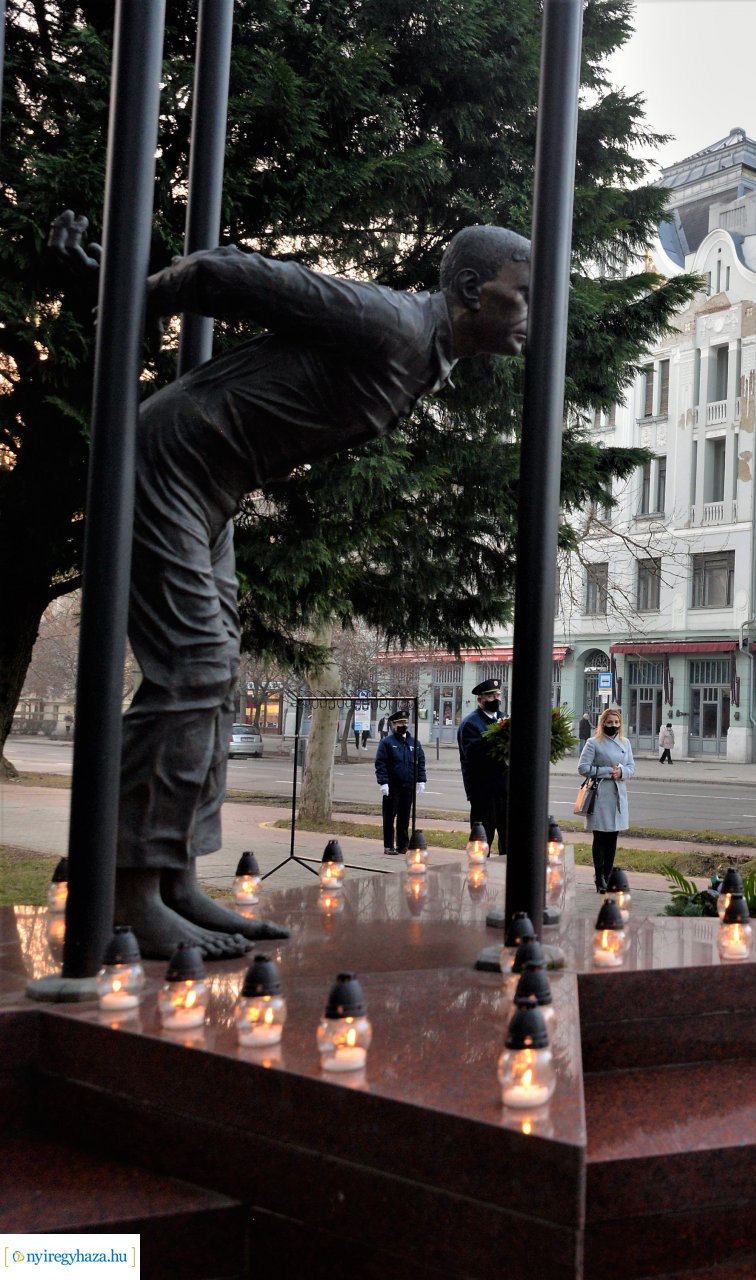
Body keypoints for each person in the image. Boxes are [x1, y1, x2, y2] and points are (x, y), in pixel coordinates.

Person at [47, 211, 531, 959]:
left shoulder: (428, 355)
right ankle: (128, 895)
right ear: (470, 290)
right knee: (194, 668)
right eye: (519, 295)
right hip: (168, 464)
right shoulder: (396, 323)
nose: (530, 314)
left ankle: (174, 885)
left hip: (214, 489)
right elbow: (228, 274)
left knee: (215, 673)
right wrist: (133, 293)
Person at [578, 705, 634, 893]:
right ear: (603, 724)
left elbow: (632, 767)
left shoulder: (625, 743)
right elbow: (583, 768)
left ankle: (609, 875)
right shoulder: (594, 742)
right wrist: (608, 771)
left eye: (616, 722)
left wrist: (622, 772)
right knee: (600, 837)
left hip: (619, 794)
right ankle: (599, 876)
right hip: (601, 795)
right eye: (609, 722)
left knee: (613, 838)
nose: (613, 725)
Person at [459, 679, 510, 852]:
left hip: (506, 790)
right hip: (484, 792)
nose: (495, 698)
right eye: (489, 696)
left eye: (497, 695)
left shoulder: (505, 719)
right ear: (480, 699)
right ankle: (477, 877)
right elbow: (474, 757)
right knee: (482, 841)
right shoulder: (471, 724)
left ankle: (507, 877)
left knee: (509, 840)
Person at [373, 710, 427, 856]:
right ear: (393, 725)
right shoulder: (387, 743)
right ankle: (389, 845)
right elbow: (381, 763)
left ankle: (403, 845)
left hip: (408, 785)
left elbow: (420, 762)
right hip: (393, 786)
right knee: (389, 817)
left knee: (404, 817)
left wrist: (421, 779)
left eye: (405, 722)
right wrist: (383, 782)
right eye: (400, 723)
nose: (403, 725)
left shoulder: (414, 743)